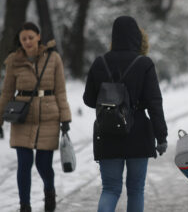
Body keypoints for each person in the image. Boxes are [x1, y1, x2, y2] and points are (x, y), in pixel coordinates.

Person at [83, 16, 168, 212]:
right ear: (137, 37)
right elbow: (155, 103)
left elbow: (88, 99)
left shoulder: (99, 62)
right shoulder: (144, 63)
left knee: (110, 189)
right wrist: (161, 136)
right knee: (136, 190)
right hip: (138, 133)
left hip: (107, 132)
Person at [0, 22, 72, 212]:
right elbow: (6, 93)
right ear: (20, 41)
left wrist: (65, 119)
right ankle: (25, 206)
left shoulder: (54, 58)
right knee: (24, 163)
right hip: (22, 116)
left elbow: (61, 91)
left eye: (31, 37)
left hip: (49, 116)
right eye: (24, 39)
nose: (28, 41)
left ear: (38, 37)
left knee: (43, 164)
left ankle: (49, 192)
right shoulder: (13, 61)